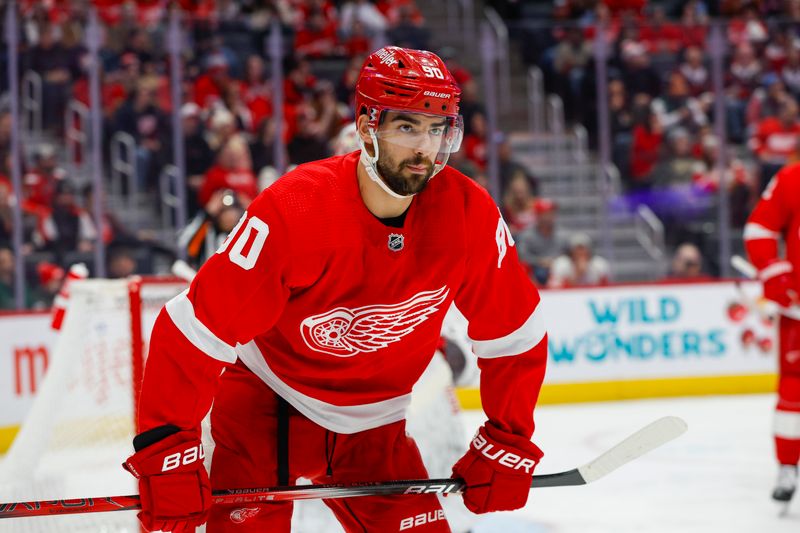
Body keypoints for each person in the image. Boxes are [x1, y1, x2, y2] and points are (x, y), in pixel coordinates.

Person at [123, 46, 548, 532]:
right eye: (407, 127)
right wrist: (167, 450)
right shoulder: (295, 210)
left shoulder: (469, 214)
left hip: (376, 426)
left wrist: (509, 439)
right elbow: (194, 329)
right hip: (267, 406)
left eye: (437, 129)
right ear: (367, 126)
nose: (424, 149)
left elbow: (515, 333)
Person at [744, 162, 800, 505]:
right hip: (797, 313)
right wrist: (775, 273)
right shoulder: (793, 178)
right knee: (794, 389)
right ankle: (788, 467)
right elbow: (760, 229)